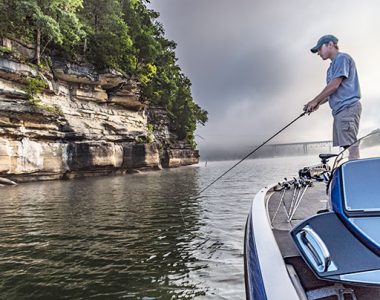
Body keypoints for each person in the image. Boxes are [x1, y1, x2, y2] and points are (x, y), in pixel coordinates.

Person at [304, 34, 361, 160]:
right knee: (345, 147)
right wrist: (317, 103)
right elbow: (332, 92)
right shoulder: (331, 68)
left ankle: (355, 176)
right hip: (339, 111)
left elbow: (334, 85)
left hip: (347, 108)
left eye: (319, 49)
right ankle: (350, 174)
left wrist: (315, 100)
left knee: (351, 146)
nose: (318, 53)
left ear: (330, 45)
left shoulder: (342, 58)